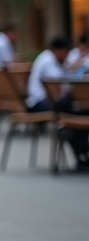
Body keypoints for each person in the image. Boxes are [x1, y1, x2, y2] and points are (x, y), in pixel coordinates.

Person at [27, 36, 88, 168]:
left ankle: (82, 154)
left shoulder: (50, 58)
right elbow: (57, 92)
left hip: (43, 101)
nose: (67, 56)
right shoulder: (49, 61)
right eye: (66, 52)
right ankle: (82, 154)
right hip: (39, 103)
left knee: (76, 113)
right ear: (59, 50)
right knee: (73, 115)